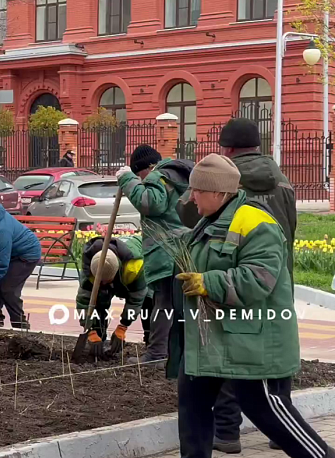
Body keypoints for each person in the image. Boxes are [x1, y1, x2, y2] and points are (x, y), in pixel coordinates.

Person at [171, 153, 334, 458]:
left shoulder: (257, 223)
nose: (191, 197)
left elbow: (259, 279)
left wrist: (208, 282)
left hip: (253, 335)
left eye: (197, 191)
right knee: (192, 403)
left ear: (219, 193)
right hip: (214, 335)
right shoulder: (213, 219)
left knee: (267, 408)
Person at [212, 117, 298, 454]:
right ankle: (282, 433)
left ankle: (227, 434)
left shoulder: (225, 180)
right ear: (257, 146)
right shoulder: (282, 180)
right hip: (278, 282)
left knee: (232, 354)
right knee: (277, 358)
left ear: (228, 148)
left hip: (237, 279)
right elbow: (290, 230)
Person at [116, 145, 193, 364]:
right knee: (181, 305)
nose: (141, 180)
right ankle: (182, 353)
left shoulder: (158, 176)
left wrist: (126, 179)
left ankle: (157, 355)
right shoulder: (179, 176)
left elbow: (150, 203)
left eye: (140, 175)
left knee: (163, 303)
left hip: (166, 251)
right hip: (185, 249)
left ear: (145, 168)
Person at [75, 234, 148, 359]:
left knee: (149, 301)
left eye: (106, 281)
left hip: (142, 257)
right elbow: (83, 302)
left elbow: (136, 300)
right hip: (112, 273)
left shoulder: (134, 267)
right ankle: (98, 337)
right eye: (100, 281)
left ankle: (153, 346)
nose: (104, 284)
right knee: (99, 298)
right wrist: (90, 329)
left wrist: (123, 326)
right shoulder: (90, 268)